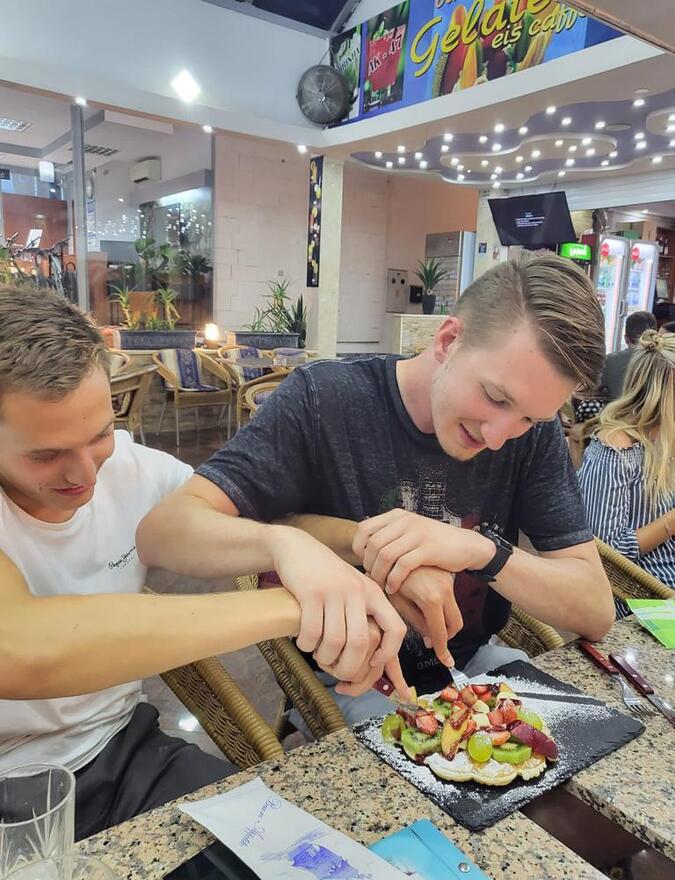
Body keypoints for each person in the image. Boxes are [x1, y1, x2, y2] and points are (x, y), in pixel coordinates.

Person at [137, 254, 615, 725]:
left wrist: (480, 550)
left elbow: (595, 610)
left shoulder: (531, 437)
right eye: (494, 397)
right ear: (448, 341)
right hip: (345, 680)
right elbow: (164, 533)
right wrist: (289, 542)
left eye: (529, 417)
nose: (497, 437)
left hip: (471, 662)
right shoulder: (325, 399)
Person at [0, 285, 392, 840]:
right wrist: (295, 605)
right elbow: (22, 651)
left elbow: (252, 520)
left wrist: (373, 545)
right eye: (46, 455)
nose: (85, 474)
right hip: (10, 782)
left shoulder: (134, 469)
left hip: (121, 750)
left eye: (99, 435)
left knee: (295, 851)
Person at [579, 330, 675, 616]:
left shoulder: (665, 441)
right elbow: (605, 555)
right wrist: (670, 523)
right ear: (664, 395)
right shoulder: (616, 451)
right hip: (643, 600)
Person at [600, 311, 657, 401]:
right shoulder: (664, 361)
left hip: (617, 408)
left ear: (626, 339)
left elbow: (593, 390)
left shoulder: (610, 361)